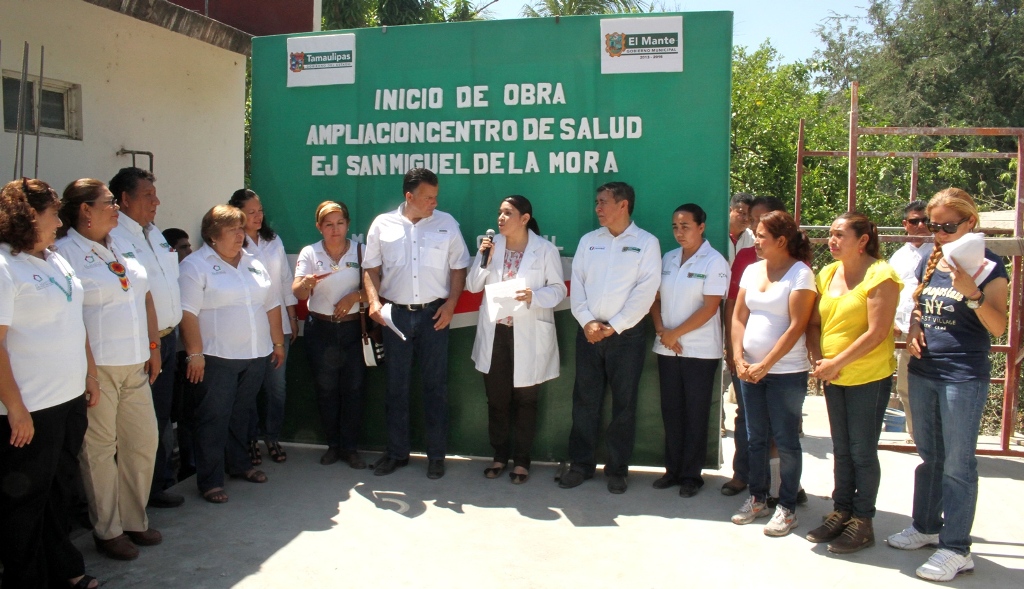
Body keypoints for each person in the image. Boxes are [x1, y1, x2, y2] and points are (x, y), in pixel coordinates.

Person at [886, 188, 1008, 582]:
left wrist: (971, 292)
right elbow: (921, 303)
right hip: (925, 370)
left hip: (962, 376)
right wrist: (917, 327)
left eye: (947, 226)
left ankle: (956, 548)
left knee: (958, 464)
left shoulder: (990, 265)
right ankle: (926, 526)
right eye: (933, 225)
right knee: (930, 456)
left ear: (970, 222)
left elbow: (999, 326)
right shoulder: (929, 259)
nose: (937, 233)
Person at [0, 178, 101, 589]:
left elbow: (75, 321)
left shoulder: (55, 258)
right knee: (24, 504)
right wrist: (16, 408)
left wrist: (89, 374)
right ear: (27, 217)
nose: (60, 223)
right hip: (30, 409)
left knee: (59, 493)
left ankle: (63, 568)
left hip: (68, 398)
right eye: (53, 214)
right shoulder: (6, 267)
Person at [55, 179, 162, 561]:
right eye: (109, 202)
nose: (116, 207)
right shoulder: (63, 252)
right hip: (97, 367)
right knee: (99, 451)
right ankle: (108, 529)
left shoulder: (120, 244)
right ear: (85, 210)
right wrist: (86, 372)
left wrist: (153, 345)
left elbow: (143, 295)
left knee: (143, 442)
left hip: (135, 363)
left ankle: (134, 518)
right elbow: (69, 318)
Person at [363, 168, 470, 479]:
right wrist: (373, 302)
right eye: (427, 198)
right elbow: (370, 268)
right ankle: (397, 453)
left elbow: (459, 267)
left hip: (433, 316)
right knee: (396, 388)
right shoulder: (382, 225)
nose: (433, 203)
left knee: (435, 388)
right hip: (394, 316)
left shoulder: (446, 224)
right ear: (409, 197)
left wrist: (451, 306)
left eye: (436, 198)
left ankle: (436, 455)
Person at [805, 212, 901, 553]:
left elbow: (876, 332)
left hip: (868, 378)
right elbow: (814, 324)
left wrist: (836, 363)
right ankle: (841, 511)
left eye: (840, 234)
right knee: (842, 450)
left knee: (862, 451)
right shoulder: (827, 272)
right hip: (834, 375)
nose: (832, 240)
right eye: (830, 234)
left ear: (862, 241)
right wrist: (819, 359)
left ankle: (863, 521)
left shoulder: (881, 275)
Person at [178, 205, 286, 504]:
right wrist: (194, 354)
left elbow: (272, 304)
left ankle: (239, 465)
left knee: (242, 414)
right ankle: (210, 481)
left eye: (241, 228)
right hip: (216, 357)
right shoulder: (195, 265)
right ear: (212, 236)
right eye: (232, 230)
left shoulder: (254, 262)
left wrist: (277, 344)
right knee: (214, 417)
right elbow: (187, 313)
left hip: (256, 355)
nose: (240, 235)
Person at [559, 181, 661, 494]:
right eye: (597, 202)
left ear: (623, 205)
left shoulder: (646, 243)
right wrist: (589, 322)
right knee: (585, 401)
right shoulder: (589, 241)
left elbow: (646, 292)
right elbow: (577, 286)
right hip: (588, 333)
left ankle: (617, 470)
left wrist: (614, 326)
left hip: (627, 336)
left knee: (624, 404)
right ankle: (580, 465)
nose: (597, 209)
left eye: (603, 202)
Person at [467, 195, 566, 485]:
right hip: (496, 332)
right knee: (497, 399)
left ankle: (522, 461)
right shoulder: (491, 246)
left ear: (524, 218)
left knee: (526, 399)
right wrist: (484, 258)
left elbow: (558, 290)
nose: (500, 218)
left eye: (508, 213)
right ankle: (499, 456)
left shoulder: (544, 250)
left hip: (529, 331)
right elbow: (474, 285)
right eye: (499, 212)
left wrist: (536, 296)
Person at [729, 210, 815, 537]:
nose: (757, 240)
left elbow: (797, 326)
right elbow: (738, 317)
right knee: (755, 438)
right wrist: (738, 358)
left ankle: (787, 507)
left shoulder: (801, 274)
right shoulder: (751, 270)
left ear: (781, 240)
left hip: (786, 373)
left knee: (786, 441)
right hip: (749, 370)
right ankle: (758, 498)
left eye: (762, 235)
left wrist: (766, 364)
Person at [108, 167, 184, 509]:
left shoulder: (153, 234)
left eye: (155, 195)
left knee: (160, 418)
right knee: (137, 426)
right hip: (141, 345)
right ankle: (134, 497)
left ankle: (156, 487)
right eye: (147, 196)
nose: (156, 202)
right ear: (124, 200)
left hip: (169, 339)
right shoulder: (115, 239)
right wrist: (151, 345)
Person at [650, 203, 729, 497]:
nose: (679, 232)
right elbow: (654, 298)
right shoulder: (668, 258)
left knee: (695, 413)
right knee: (671, 411)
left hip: (699, 351)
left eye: (685, 226)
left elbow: (710, 308)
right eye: (675, 227)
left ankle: (691, 476)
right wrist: (662, 331)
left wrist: (675, 333)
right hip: (667, 347)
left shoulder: (714, 262)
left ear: (701, 227)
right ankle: (672, 470)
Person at [293, 201, 367, 469]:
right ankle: (333, 446)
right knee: (326, 390)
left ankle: (350, 448)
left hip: (351, 330)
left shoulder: (361, 251)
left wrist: (354, 297)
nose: (335, 230)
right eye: (328, 224)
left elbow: (377, 288)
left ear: (348, 225)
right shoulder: (310, 253)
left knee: (354, 389)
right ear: (319, 227)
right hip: (320, 330)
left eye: (340, 223)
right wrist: (306, 284)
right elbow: (298, 292)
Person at [721, 196, 786, 497]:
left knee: (782, 425)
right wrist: (732, 350)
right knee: (746, 418)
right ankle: (742, 475)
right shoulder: (746, 258)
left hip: (784, 362)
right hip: (746, 358)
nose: (758, 226)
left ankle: (783, 486)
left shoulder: (799, 262)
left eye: (765, 219)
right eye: (755, 220)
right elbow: (734, 306)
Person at [228, 189, 298, 466]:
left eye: (260, 211)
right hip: (249, 329)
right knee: (249, 390)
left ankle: (271, 437)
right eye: (251, 211)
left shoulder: (272, 240)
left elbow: (284, 281)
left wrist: (291, 318)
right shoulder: (231, 243)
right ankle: (249, 441)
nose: (258, 216)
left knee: (276, 389)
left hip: (278, 326)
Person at [888, 200, 932, 443]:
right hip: (905, 330)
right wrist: (892, 320)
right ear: (905, 224)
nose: (921, 225)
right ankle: (916, 437)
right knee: (905, 386)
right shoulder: (899, 256)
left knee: (935, 387)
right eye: (915, 221)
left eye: (926, 220)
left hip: (934, 330)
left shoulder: (939, 251)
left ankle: (932, 439)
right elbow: (894, 291)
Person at [727, 192, 754, 263]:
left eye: (749, 215)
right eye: (742, 213)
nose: (746, 219)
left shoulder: (753, 238)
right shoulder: (717, 235)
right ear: (730, 211)